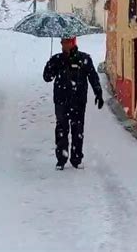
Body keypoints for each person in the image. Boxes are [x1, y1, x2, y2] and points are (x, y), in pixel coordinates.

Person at [43, 36, 104, 170]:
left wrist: (98, 93)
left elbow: (93, 76)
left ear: (72, 43)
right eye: (61, 42)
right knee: (61, 130)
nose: (62, 45)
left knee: (77, 130)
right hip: (61, 100)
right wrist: (49, 66)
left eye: (65, 42)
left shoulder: (84, 58)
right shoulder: (57, 59)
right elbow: (47, 77)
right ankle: (61, 159)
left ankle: (76, 158)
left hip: (78, 100)